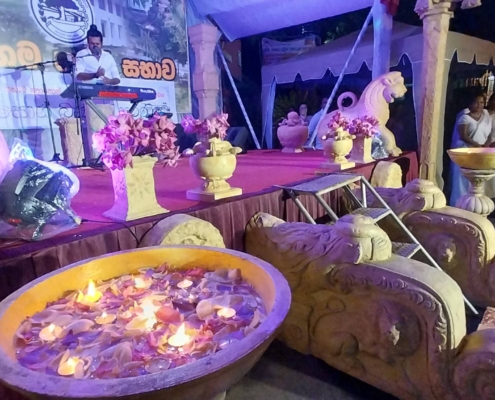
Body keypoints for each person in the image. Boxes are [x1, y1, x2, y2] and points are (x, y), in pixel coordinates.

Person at [450, 93, 495, 206]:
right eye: (476, 102)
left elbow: (490, 134)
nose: (479, 105)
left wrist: (485, 146)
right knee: (462, 181)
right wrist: (477, 146)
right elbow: (463, 136)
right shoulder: (464, 116)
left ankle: (475, 205)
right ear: (470, 103)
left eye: (481, 102)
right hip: (466, 152)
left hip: (481, 153)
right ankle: (460, 204)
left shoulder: (486, 115)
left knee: (478, 181)